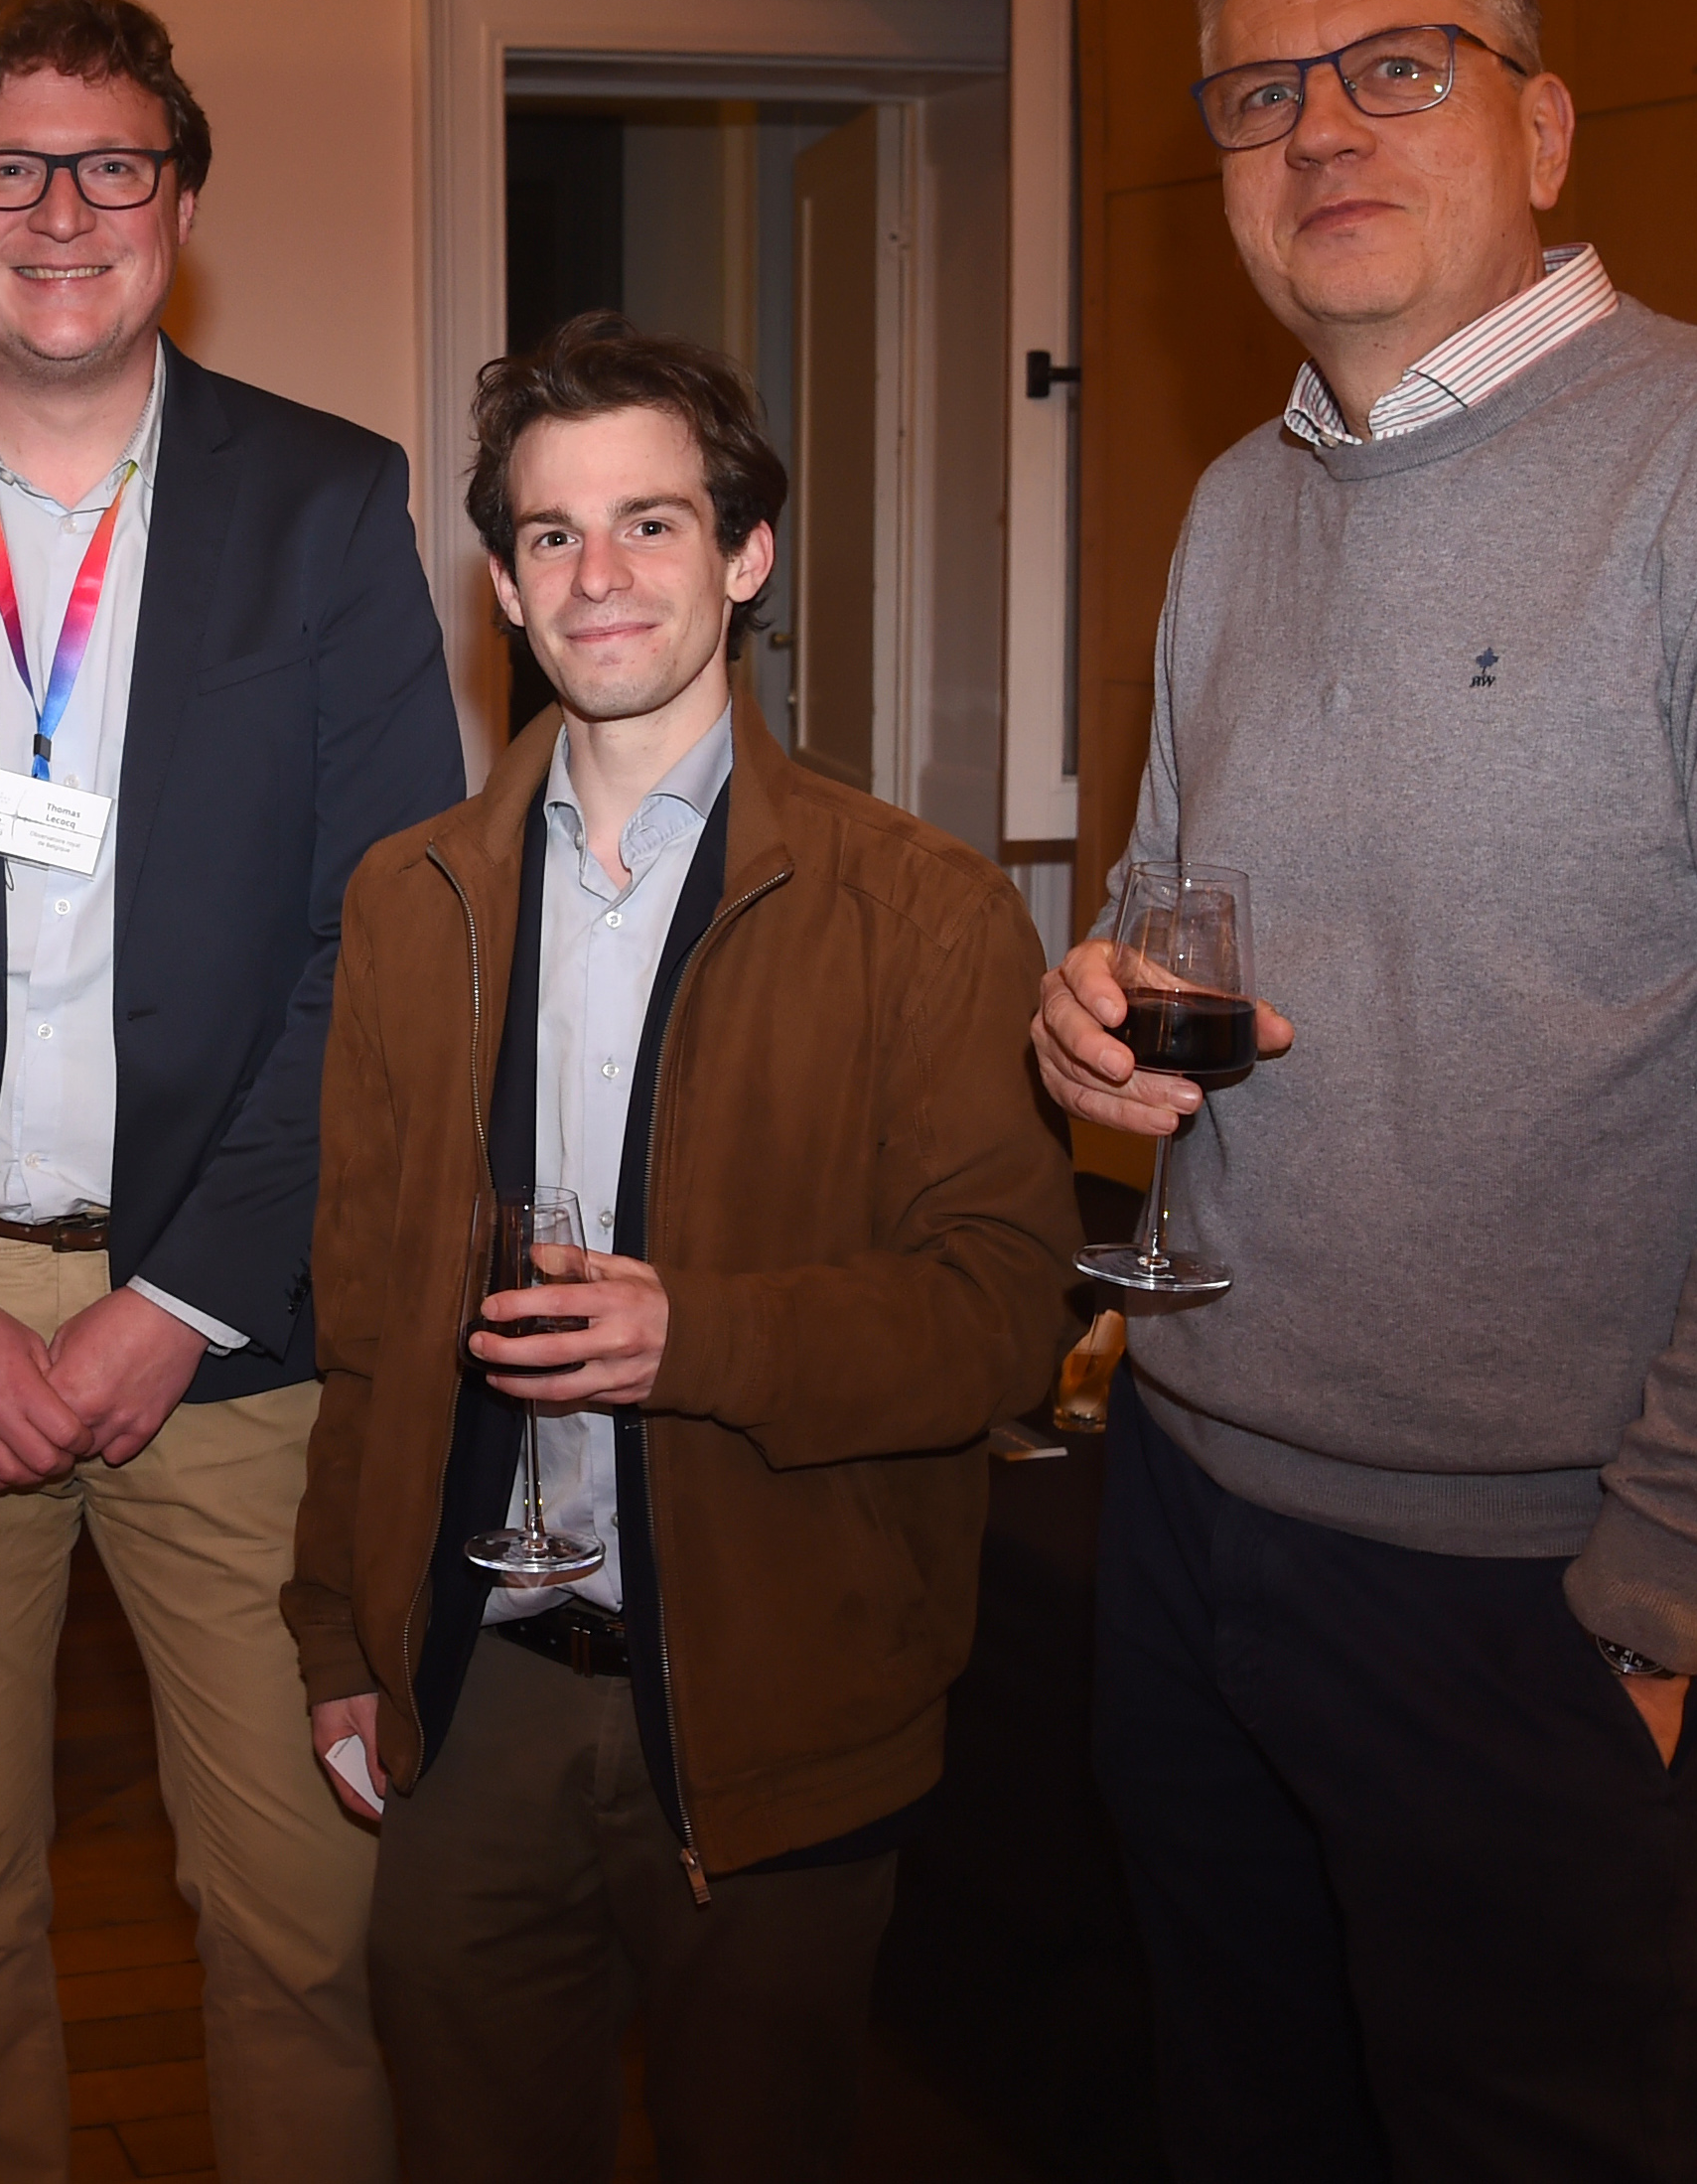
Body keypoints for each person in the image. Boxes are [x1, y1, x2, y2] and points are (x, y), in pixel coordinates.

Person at [1031, 0, 1697, 2182]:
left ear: (1540, 126)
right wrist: (1094, 1015)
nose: (1317, 128)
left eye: (1394, 67)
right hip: (1189, 1519)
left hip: (1530, 1599)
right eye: (1258, 93)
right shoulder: (1232, 504)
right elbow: (1173, 927)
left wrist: (1653, 1604)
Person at [0, 0, 460, 2184]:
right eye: (7, 166)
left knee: (302, 1921)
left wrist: (184, 1296)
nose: (60, 211)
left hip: (231, 1317)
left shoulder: (328, 502)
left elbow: (379, 945)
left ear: (180, 199)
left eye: (111, 164)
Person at [287, 314, 1077, 2179]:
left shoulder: (924, 909)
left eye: (652, 522)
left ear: (746, 555)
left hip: (776, 1697)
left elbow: (1003, 1313)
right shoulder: (410, 899)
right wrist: (339, 1629)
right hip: (474, 1684)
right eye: (552, 535)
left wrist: (695, 1338)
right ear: (502, 586)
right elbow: (365, 1313)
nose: (601, 575)